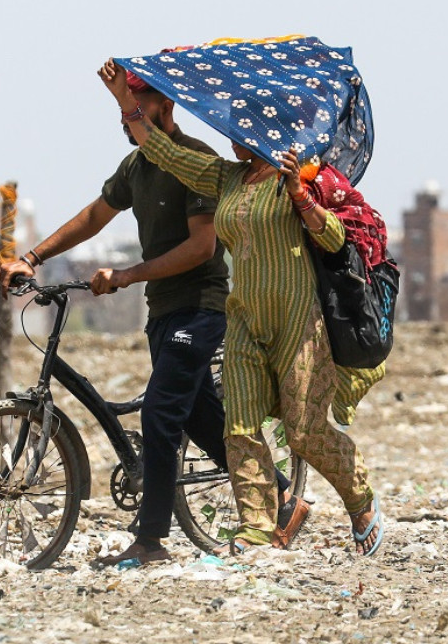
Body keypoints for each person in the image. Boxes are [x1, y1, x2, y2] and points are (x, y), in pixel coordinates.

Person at [0, 70, 309, 566]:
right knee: (203, 420)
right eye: (123, 110)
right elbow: (96, 215)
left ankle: (150, 541)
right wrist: (32, 259)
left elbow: (202, 246)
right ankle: (285, 498)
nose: (128, 119)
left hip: (201, 308)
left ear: (164, 107)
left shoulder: (199, 162)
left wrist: (126, 274)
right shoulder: (137, 166)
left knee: (160, 415)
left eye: (135, 107)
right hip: (162, 311)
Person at [97, 58, 384, 556]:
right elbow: (164, 152)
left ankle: (359, 498)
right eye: (232, 128)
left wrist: (302, 200)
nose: (233, 137)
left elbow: (335, 238)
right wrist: (126, 102)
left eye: (243, 128)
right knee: (240, 429)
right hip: (244, 320)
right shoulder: (226, 179)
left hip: (297, 322)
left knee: (306, 433)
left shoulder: (300, 178)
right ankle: (253, 533)